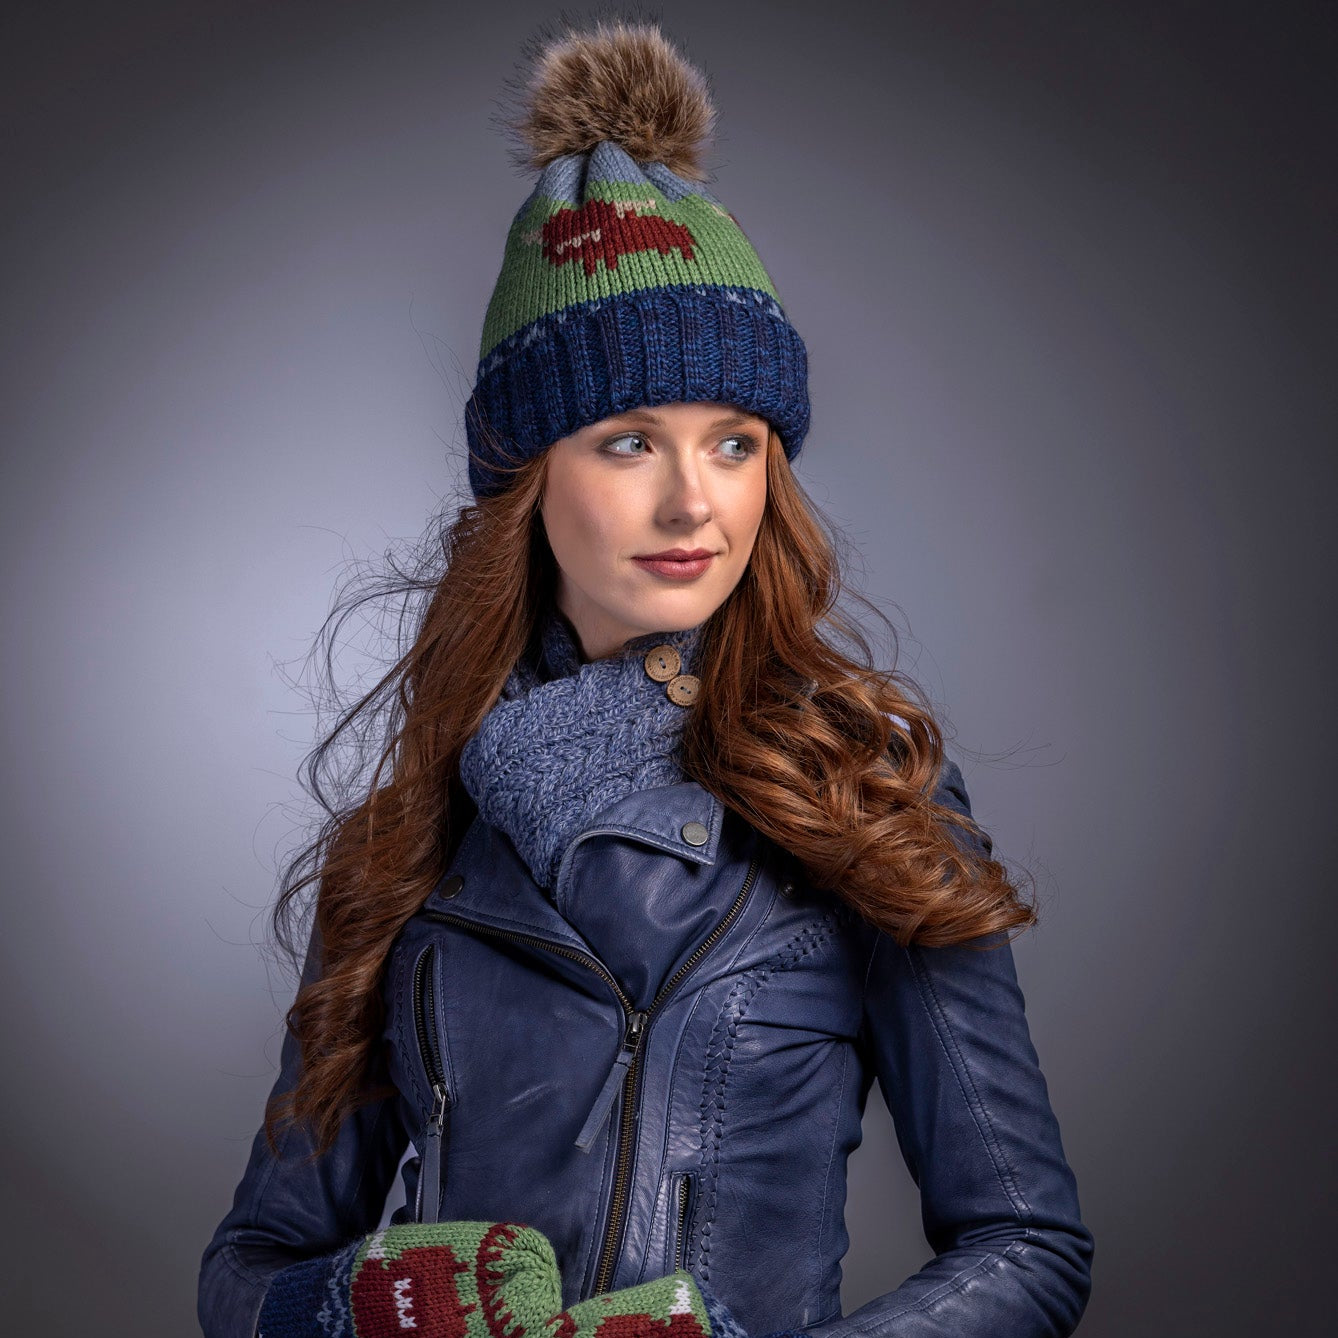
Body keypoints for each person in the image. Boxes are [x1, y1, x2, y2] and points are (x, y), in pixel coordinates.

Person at [198, 17, 1095, 1338]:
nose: (693, 502)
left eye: (732, 443)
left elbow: (1026, 1243)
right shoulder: (407, 841)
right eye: (627, 441)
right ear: (529, 480)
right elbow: (246, 1272)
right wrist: (374, 1304)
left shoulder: (857, 785)